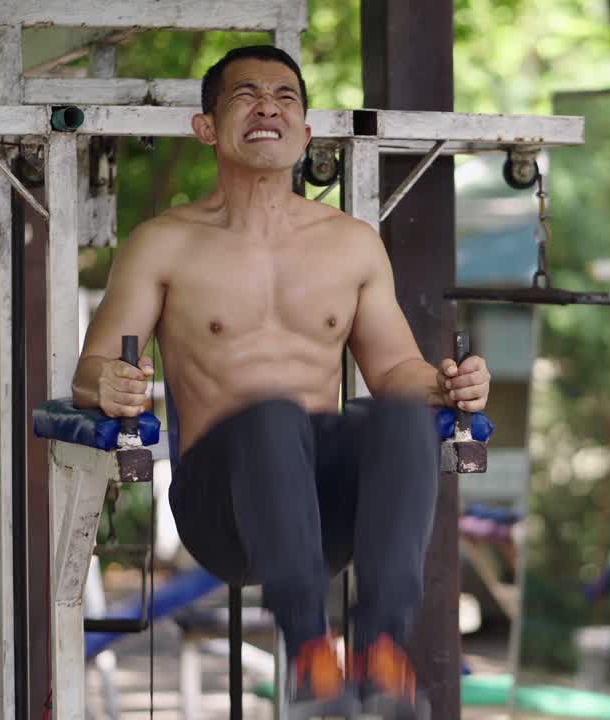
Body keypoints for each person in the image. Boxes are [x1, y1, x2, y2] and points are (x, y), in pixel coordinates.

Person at [71, 45, 491, 720]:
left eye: (285, 97)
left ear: (306, 131)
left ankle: (382, 652)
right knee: (272, 415)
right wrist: (109, 385)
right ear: (206, 127)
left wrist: (450, 387)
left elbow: (394, 373)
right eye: (246, 95)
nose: (268, 106)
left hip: (323, 517)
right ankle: (310, 657)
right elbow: (90, 369)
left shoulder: (352, 243)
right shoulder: (164, 242)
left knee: (399, 417)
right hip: (222, 508)